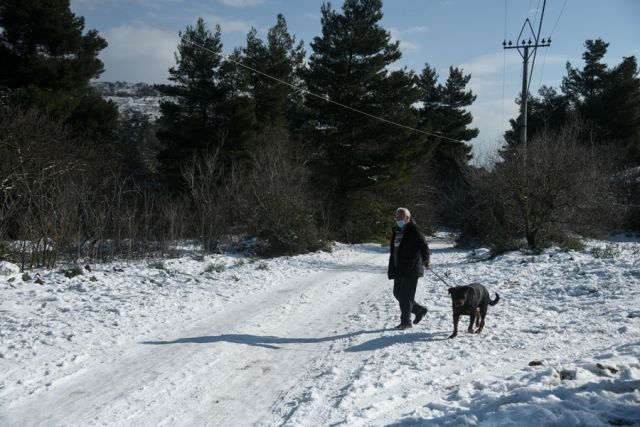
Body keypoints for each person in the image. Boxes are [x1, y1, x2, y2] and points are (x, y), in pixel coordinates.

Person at [387, 207, 430, 330]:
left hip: (411, 267)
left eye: (400, 217)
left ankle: (406, 322)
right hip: (399, 268)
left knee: (406, 296)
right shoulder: (397, 230)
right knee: (397, 293)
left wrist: (426, 259)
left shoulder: (414, 230)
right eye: (397, 217)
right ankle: (419, 310)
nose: (398, 219)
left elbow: (424, 245)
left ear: (408, 218)